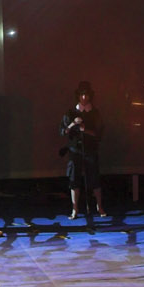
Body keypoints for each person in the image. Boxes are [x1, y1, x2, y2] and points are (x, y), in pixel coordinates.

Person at [59, 80, 106, 220]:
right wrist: (73, 123)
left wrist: (85, 130)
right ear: (78, 96)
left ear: (90, 96)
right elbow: (63, 131)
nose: (84, 98)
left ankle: (99, 206)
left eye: (86, 95)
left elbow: (99, 133)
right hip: (75, 150)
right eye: (81, 95)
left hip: (90, 150)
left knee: (94, 178)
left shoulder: (95, 113)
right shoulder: (71, 112)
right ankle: (75, 209)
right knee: (74, 179)